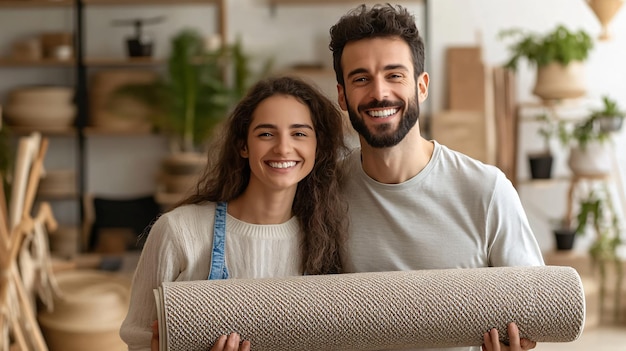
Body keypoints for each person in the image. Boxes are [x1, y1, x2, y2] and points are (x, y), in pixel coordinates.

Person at [328, 4, 545, 351]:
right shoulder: (327, 193)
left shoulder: (487, 190)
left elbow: (536, 315)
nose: (379, 93)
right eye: (361, 78)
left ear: (422, 86)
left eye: (394, 75)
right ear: (342, 95)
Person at [119, 76, 349, 351]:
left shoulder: (326, 242)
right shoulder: (179, 231)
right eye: (266, 134)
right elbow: (140, 343)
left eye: (299, 133)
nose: (283, 148)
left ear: (318, 147)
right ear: (243, 146)